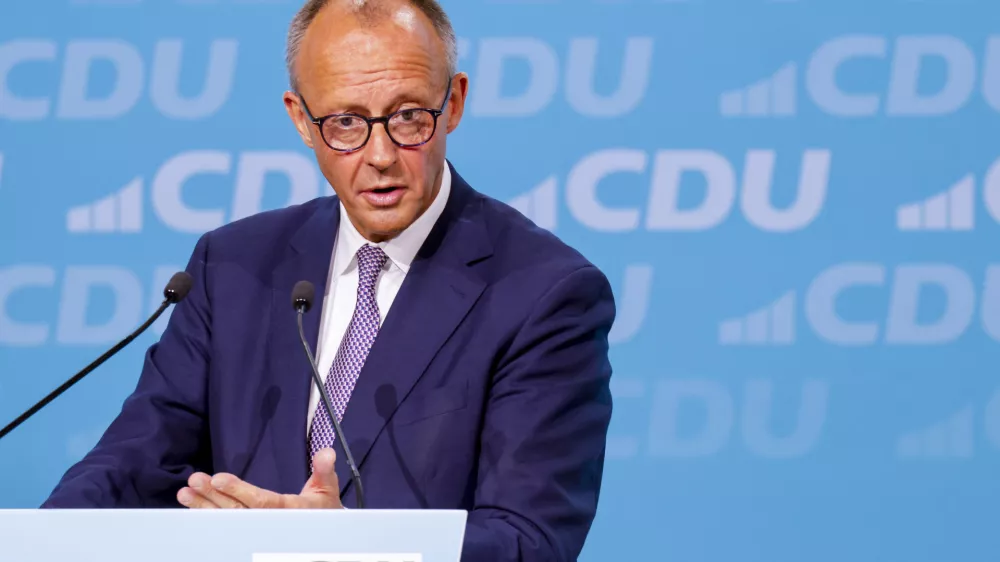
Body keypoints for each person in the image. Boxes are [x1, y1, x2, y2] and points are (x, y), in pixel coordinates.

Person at [42, 0, 616, 559]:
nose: (381, 154)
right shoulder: (233, 265)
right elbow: (133, 462)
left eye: (409, 116)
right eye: (345, 122)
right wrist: (40, 541)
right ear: (301, 119)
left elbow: (530, 540)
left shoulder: (544, 292)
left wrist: (352, 548)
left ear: (455, 103)